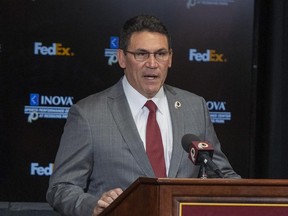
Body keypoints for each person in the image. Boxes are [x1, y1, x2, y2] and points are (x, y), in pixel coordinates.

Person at [46, 14, 240, 216]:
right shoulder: (88, 114)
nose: (152, 63)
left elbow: (222, 175)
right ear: (122, 58)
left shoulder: (195, 107)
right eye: (141, 54)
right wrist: (93, 206)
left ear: (170, 58)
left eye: (161, 54)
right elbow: (61, 188)